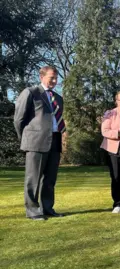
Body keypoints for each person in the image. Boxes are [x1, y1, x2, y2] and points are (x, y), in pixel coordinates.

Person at [14, 66, 66, 221]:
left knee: (50, 179)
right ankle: (33, 211)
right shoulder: (30, 93)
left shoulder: (58, 98)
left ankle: (47, 208)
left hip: (55, 140)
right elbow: (19, 120)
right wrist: (25, 138)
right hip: (36, 142)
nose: (55, 81)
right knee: (33, 178)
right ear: (42, 76)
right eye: (52, 78)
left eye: (57, 78)